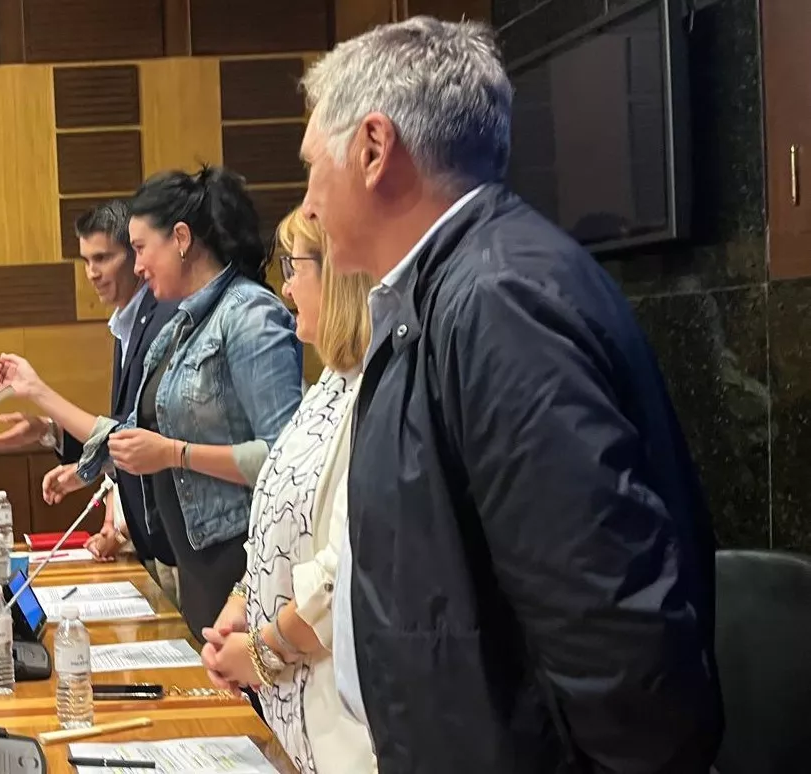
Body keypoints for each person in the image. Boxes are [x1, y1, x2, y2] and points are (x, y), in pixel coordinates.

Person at [299, 17, 721, 772]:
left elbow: (611, 624)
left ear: (372, 148)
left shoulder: (499, 300)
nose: (307, 206)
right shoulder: (446, 294)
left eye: (310, 169)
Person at [0, 166, 304, 635]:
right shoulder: (181, 327)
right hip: (195, 558)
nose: (136, 266)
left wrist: (176, 454)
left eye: (139, 249)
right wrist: (39, 396)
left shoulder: (252, 315)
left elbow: (285, 460)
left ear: (180, 238)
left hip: (241, 556)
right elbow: (127, 435)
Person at [199, 210, 377, 773]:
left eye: (294, 267)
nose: (285, 286)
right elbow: (278, 514)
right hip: (296, 720)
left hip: (346, 727)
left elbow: (342, 570)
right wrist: (239, 605)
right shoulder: (329, 380)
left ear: (341, 275)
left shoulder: (377, 391)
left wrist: (261, 652)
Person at [0, 200, 179, 590]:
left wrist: (37, 391)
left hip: (173, 541)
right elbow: (123, 432)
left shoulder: (163, 319)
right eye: (85, 260)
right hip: (149, 538)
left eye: (103, 258)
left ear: (135, 255)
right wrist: (47, 431)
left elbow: (135, 436)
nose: (92, 273)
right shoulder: (128, 324)